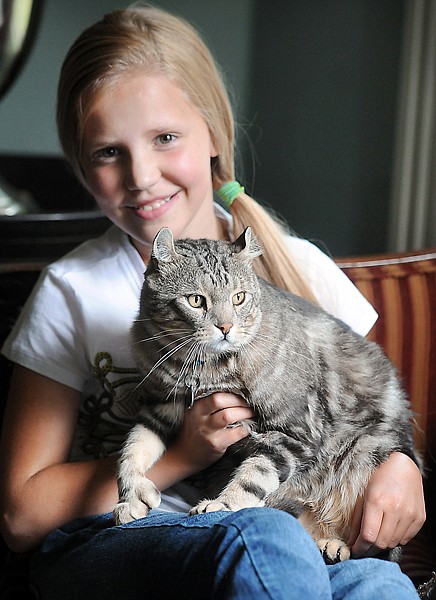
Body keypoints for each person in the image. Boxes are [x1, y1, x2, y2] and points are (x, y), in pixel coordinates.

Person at [0, 4, 425, 599]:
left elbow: (373, 415)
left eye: (165, 138)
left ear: (215, 137)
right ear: (79, 163)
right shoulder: (72, 292)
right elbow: (20, 519)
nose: (141, 175)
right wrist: (180, 455)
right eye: (107, 152)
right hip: (120, 535)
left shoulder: (296, 267)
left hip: (293, 521)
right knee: (263, 540)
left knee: (378, 585)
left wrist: (402, 469)